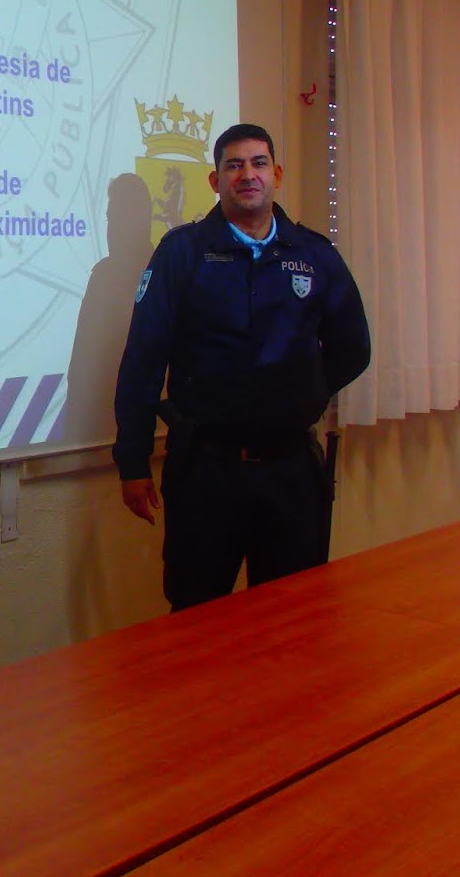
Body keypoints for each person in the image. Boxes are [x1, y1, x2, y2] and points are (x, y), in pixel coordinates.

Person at [112, 123, 369, 611]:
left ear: (277, 174)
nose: (247, 175)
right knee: (197, 615)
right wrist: (132, 460)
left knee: (292, 618)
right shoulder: (182, 253)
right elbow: (144, 359)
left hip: (291, 471)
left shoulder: (313, 254)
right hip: (206, 472)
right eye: (233, 165)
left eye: (257, 164)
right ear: (216, 181)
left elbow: (353, 347)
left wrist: (302, 393)